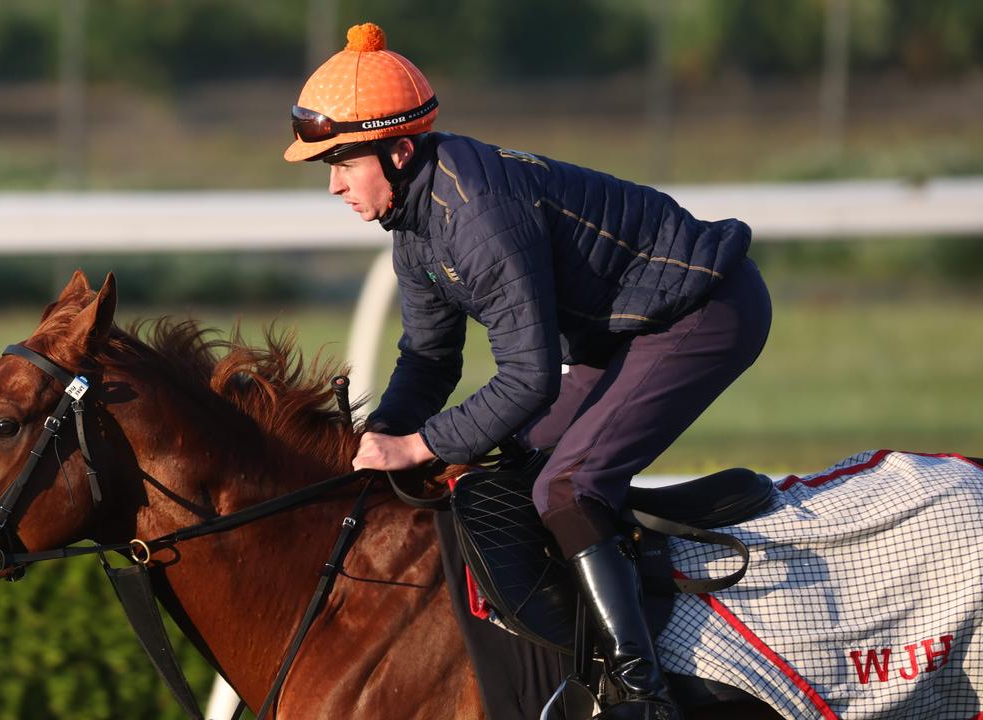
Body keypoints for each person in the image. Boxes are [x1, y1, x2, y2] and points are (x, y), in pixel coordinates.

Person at [286, 23, 772, 720]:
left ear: (397, 151)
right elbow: (428, 356)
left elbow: (530, 378)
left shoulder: (477, 213)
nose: (333, 185)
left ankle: (642, 693)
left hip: (704, 311)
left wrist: (422, 446)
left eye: (342, 162)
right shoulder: (415, 221)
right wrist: (381, 438)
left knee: (568, 487)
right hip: (624, 330)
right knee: (514, 465)